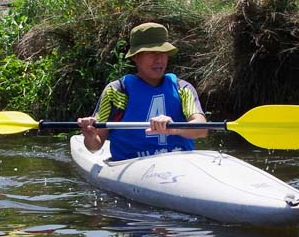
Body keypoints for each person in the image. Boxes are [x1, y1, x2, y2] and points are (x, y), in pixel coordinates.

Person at [77, 23, 207, 160]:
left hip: (179, 161)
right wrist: (90, 135)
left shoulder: (182, 88)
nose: (159, 59)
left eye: (163, 53)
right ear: (136, 57)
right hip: (131, 165)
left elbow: (202, 129)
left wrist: (174, 129)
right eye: (151, 53)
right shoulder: (117, 92)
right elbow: (95, 146)